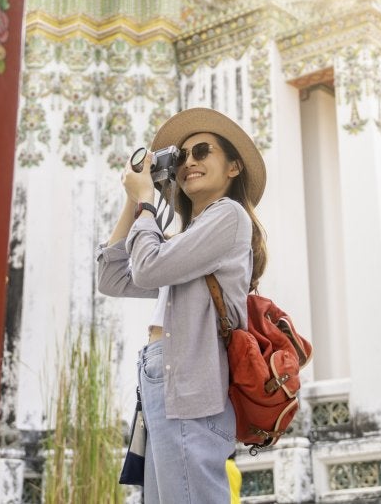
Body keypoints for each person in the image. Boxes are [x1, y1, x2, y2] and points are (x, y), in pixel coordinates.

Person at [96, 107, 267, 504]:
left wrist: (146, 203)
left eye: (203, 151)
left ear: (234, 167)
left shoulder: (229, 216)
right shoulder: (188, 239)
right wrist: (134, 200)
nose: (190, 161)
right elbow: (113, 278)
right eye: (183, 157)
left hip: (191, 383)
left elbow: (149, 266)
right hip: (166, 380)